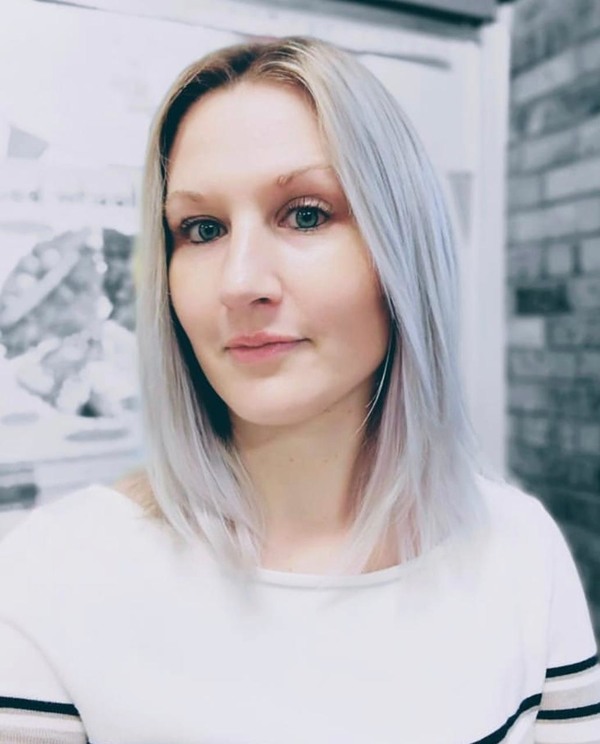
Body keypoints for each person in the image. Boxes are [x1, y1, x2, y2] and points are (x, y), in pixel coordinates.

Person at [0, 36, 598, 744]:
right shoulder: (48, 579)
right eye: (202, 229)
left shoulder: (519, 551)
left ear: (402, 250)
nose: (239, 282)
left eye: (306, 214)